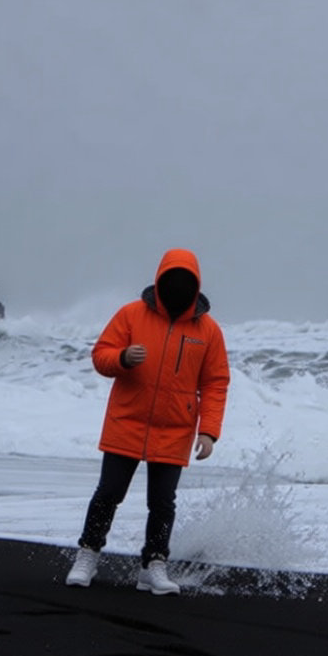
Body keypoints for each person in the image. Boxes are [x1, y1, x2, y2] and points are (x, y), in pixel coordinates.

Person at [65, 248, 230, 595]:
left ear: (196, 285)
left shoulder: (208, 330)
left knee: (162, 502)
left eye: (186, 281)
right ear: (160, 279)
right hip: (127, 420)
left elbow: (215, 383)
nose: (178, 286)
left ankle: (153, 566)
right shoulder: (131, 314)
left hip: (175, 429)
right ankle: (88, 555)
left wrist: (210, 433)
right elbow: (100, 356)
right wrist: (123, 358)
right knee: (108, 493)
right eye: (172, 280)